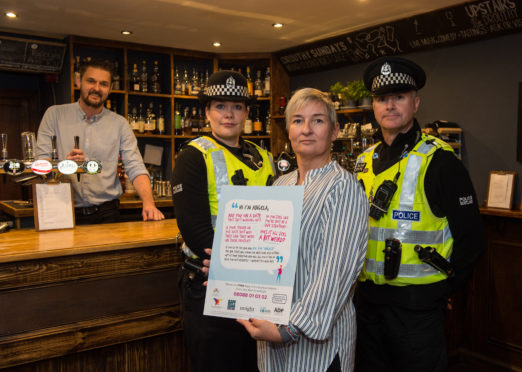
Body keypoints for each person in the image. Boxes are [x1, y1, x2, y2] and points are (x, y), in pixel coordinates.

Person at [353, 56, 484, 372]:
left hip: (417, 310)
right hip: (367, 305)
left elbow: (472, 239)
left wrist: (444, 289)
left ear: (415, 102)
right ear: (374, 106)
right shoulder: (363, 162)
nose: (390, 105)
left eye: (399, 96)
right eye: (382, 98)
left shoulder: (439, 161)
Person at [237, 88, 369, 372]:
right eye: (297, 120)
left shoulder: (342, 187)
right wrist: (232, 270)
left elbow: (334, 271)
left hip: (316, 347)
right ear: (288, 131)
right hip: (271, 335)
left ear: (334, 131)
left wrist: (288, 328)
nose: (306, 129)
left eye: (318, 121)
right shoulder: (280, 185)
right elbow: (265, 255)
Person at [171, 70, 275, 372]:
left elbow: (278, 219)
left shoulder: (263, 156)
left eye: (237, 106)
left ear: (246, 112)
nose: (228, 114)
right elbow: (196, 231)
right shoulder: (193, 156)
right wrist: (255, 262)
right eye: (220, 106)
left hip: (257, 286)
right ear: (207, 111)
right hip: (209, 286)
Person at [36, 59, 164, 224]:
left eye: (103, 84)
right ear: (78, 81)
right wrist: (62, 167)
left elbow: (135, 166)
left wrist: (149, 204)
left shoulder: (119, 124)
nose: (96, 88)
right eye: (91, 81)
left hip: (107, 214)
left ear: (110, 88)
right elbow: (41, 162)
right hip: (63, 210)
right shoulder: (54, 115)